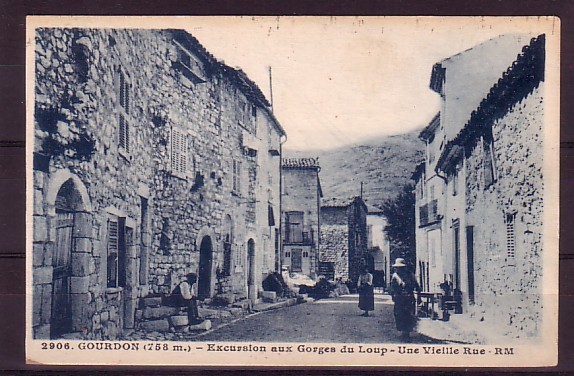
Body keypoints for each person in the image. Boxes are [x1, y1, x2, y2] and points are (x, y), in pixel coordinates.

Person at [390, 258, 420, 340]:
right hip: (399, 298)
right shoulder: (395, 276)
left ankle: (407, 332)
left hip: (409, 298)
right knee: (399, 314)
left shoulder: (410, 275)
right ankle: (403, 331)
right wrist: (393, 295)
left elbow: (417, 286)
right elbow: (392, 287)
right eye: (398, 267)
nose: (399, 269)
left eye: (401, 267)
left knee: (409, 314)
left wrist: (419, 296)